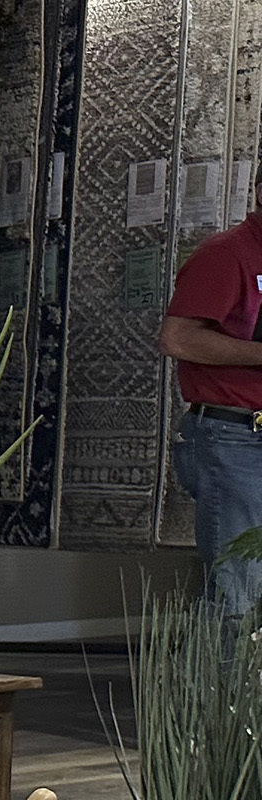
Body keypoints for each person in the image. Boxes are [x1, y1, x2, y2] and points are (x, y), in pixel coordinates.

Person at [158, 174, 262, 610]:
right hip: (233, 435)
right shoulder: (227, 254)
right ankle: (221, 681)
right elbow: (177, 339)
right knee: (238, 583)